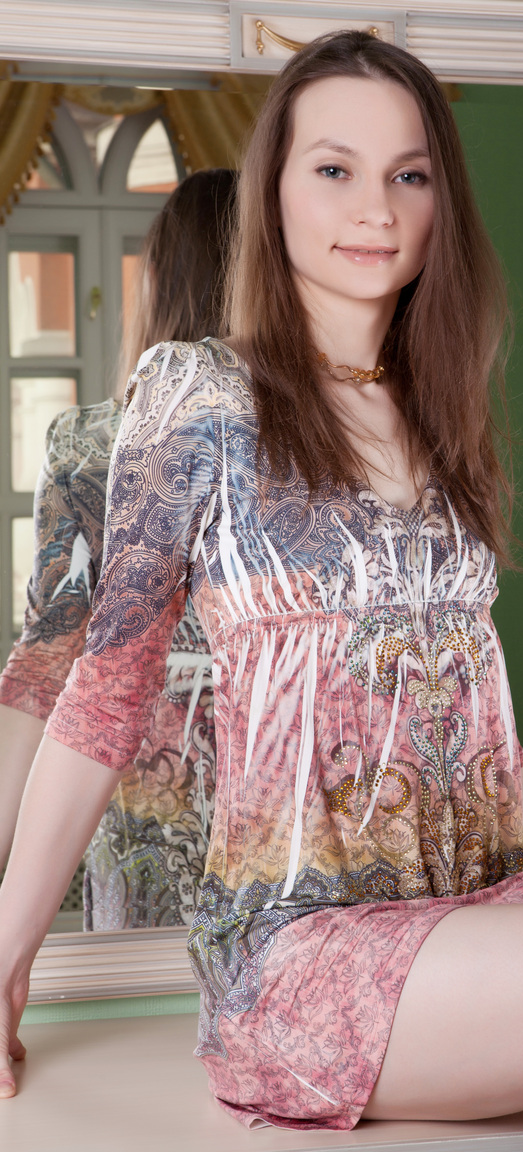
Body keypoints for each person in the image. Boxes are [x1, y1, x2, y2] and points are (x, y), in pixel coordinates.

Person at [0, 33, 523, 1149]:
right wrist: (7, 955)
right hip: (306, 959)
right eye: (335, 168)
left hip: (473, 907)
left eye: (410, 174)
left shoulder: (440, 403)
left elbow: (474, 691)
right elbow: (102, 692)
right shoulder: (201, 391)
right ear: (273, 192)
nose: (377, 208)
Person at [0, 169, 237, 928]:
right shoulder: (324, 442)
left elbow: (43, 663)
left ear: (159, 282)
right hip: (282, 808)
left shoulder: (87, 443)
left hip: (136, 811)